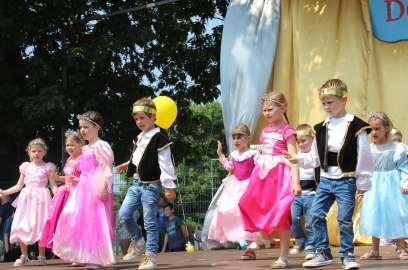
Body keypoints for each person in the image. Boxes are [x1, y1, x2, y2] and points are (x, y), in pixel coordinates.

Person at [287, 79, 373, 269]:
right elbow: (316, 158)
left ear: (344, 99)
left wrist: (363, 185)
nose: (327, 106)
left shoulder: (357, 126)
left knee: (344, 218)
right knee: (315, 215)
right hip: (326, 180)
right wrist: (299, 160)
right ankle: (323, 252)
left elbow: (365, 157)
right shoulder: (320, 127)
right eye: (324, 103)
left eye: (330, 102)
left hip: (346, 180)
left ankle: (348, 255)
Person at [239, 91, 301, 269]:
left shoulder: (287, 131)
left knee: (281, 214)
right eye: (264, 110)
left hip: (280, 178)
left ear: (283, 108)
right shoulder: (265, 130)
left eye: (270, 109)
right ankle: (262, 236)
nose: (266, 113)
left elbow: (293, 157)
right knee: (246, 203)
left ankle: (283, 256)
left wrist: (295, 182)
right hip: (263, 177)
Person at [116, 97, 177, 270]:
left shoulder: (160, 138)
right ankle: (138, 242)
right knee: (124, 214)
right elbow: (139, 157)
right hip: (136, 184)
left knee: (150, 221)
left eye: (143, 117)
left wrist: (169, 186)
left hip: (151, 185)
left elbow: (166, 163)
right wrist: (127, 164)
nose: (139, 121)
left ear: (153, 117)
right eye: (136, 119)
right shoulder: (139, 137)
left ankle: (150, 256)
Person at [52, 111, 115, 267]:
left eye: (86, 127)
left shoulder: (102, 146)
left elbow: (106, 168)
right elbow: (85, 171)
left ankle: (97, 258)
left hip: (97, 187)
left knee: (96, 221)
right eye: (81, 127)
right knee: (74, 216)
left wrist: (104, 188)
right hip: (84, 187)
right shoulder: (86, 148)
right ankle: (81, 254)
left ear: (97, 127)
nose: (82, 131)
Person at [0, 138, 57, 267]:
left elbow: (53, 185)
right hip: (26, 199)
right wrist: (4, 192)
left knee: (41, 225)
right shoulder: (25, 167)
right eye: (34, 151)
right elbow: (19, 186)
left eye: (39, 151)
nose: (36, 153)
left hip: (42, 199)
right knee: (22, 224)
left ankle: (41, 255)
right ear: (28, 152)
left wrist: (59, 195)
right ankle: (24, 255)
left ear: (44, 152)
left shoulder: (48, 167)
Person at [359, 112, 408, 260]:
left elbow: (404, 167)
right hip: (374, 186)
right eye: (371, 129)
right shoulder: (368, 149)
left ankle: (401, 248)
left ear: (386, 128)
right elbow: (365, 170)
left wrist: (405, 182)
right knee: (374, 214)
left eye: (377, 128)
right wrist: (361, 190)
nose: (373, 132)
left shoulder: (397, 147)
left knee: (396, 213)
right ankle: (375, 250)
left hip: (392, 185)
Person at [208, 123, 258, 259]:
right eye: (234, 138)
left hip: (249, 186)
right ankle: (240, 240)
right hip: (235, 186)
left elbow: (260, 168)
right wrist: (220, 154)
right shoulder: (234, 154)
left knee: (244, 213)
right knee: (225, 209)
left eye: (239, 137)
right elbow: (230, 168)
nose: (235, 141)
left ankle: (249, 247)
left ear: (247, 138)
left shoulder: (253, 154)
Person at [39, 130, 83, 250]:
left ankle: (77, 249)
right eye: (68, 145)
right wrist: (58, 177)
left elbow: (87, 178)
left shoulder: (83, 159)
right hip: (65, 193)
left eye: (73, 144)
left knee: (74, 221)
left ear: (81, 144)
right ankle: (69, 250)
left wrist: (78, 180)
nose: (69, 147)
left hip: (77, 194)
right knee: (63, 221)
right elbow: (69, 177)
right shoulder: (69, 160)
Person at [289, 124, 317, 260]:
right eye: (298, 142)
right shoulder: (296, 156)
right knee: (293, 219)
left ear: (312, 139)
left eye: (303, 140)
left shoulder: (314, 157)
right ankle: (300, 241)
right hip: (297, 194)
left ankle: (311, 245)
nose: (300, 144)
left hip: (312, 194)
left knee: (310, 221)